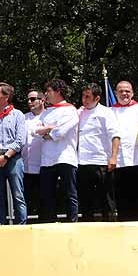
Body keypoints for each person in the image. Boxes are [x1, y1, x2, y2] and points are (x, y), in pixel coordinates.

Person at [34, 79, 80, 223]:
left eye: (48, 91)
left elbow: (61, 132)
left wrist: (47, 131)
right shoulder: (46, 112)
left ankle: (72, 222)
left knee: (69, 193)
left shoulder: (71, 110)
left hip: (65, 158)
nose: (46, 95)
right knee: (47, 195)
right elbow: (34, 131)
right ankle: (50, 223)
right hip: (47, 160)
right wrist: (50, 128)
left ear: (58, 92)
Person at [0, 82, 27, 225]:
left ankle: (22, 226)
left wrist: (6, 156)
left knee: (18, 195)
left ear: (6, 97)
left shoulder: (17, 114)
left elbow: (20, 140)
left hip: (13, 158)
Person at [76, 83, 120, 222]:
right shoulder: (79, 113)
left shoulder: (106, 112)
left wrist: (113, 157)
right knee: (85, 200)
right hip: (82, 162)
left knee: (106, 199)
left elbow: (115, 136)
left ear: (97, 98)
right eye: (83, 96)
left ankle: (109, 227)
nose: (84, 99)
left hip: (101, 161)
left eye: (88, 96)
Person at [111, 80, 138, 221]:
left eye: (127, 91)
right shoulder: (109, 111)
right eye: (121, 91)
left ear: (132, 93)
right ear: (116, 93)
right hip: (119, 163)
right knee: (122, 202)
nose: (124, 93)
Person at [22, 89, 45, 219]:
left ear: (42, 100)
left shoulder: (49, 115)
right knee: (26, 201)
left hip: (44, 166)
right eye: (28, 99)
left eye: (33, 99)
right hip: (26, 167)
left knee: (44, 200)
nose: (29, 102)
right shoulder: (23, 118)